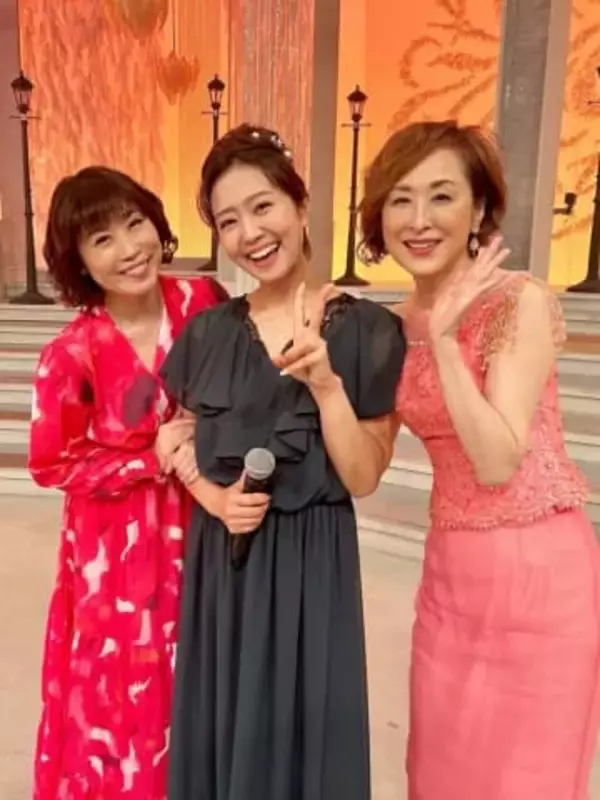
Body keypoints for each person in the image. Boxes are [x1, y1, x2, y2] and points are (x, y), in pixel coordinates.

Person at [158, 124, 406, 800]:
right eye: (228, 220)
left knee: (303, 741)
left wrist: (325, 385)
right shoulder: (208, 331)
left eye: (263, 206)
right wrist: (211, 497)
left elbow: (362, 476)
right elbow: (172, 437)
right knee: (223, 734)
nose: (250, 233)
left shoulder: (370, 330)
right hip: (223, 562)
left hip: (311, 563)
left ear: (300, 204)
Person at [359, 119, 600, 799]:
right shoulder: (387, 326)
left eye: (441, 196)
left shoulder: (518, 301)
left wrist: (442, 343)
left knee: (525, 778)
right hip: (451, 577)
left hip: (540, 572)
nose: (419, 219)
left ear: (479, 209)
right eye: (401, 199)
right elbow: (367, 462)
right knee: (442, 771)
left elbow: (497, 460)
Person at [28, 166, 228, 799]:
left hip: (206, 525)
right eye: (102, 239)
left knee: (202, 675)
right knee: (124, 700)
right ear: (80, 261)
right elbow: (51, 464)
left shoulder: (204, 302)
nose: (129, 248)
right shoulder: (72, 352)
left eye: (134, 223)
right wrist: (148, 459)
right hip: (116, 552)